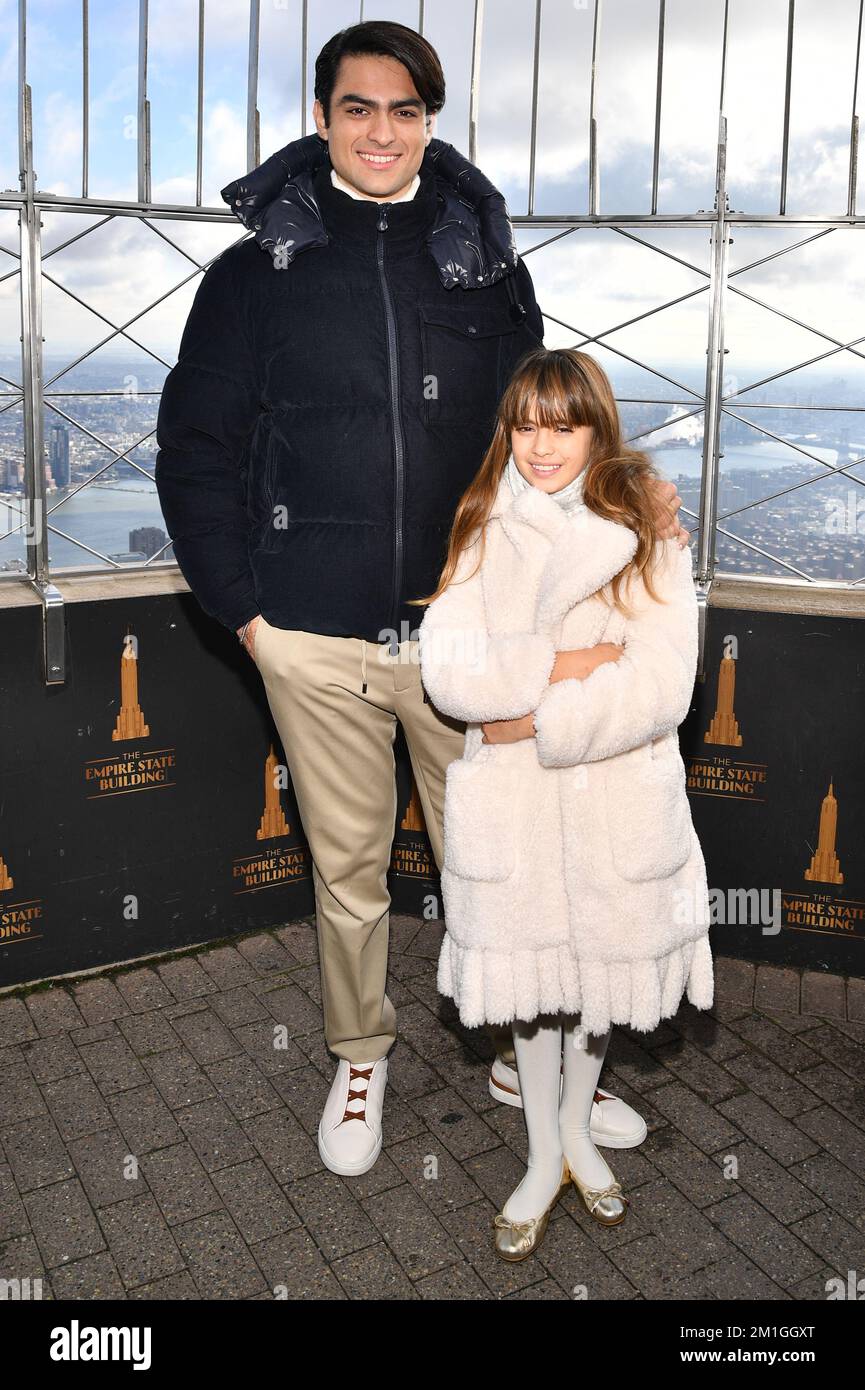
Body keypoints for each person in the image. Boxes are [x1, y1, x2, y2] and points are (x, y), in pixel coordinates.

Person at [154, 20, 688, 1179]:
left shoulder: (487, 270)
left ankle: (522, 1057)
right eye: (357, 107)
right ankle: (358, 1051)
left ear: (429, 121)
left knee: (501, 862)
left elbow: (541, 441)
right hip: (312, 639)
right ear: (323, 119)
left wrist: (631, 494)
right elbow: (194, 451)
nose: (381, 130)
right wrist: (251, 620)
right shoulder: (253, 277)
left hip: (471, 641)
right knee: (347, 872)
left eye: (403, 109)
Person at [416, 347, 713, 1259]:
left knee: (594, 989)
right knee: (530, 990)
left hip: (609, 798)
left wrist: (531, 725)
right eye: (526, 424)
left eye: (564, 424)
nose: (541, 447)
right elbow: (448, 668)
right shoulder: (481, 520)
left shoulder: (645, 525)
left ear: (597, 428)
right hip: (513, 811)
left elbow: (664, 682)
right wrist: (571, 665)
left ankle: (579, 1133)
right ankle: (542, 1154)